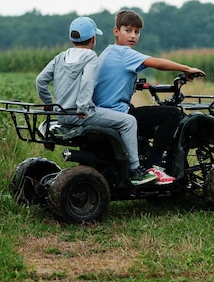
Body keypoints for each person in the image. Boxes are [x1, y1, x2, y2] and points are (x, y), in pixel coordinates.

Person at [36, 16, 156, 185]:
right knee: (129, 122)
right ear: (93, 39)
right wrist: (83, 107)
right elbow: (87, 82)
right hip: (81, 114)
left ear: (72, 38)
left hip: (62, 114)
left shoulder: (60, 57)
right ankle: (135, 170)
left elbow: (40, 81)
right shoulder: (90, 57)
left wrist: (48, 104)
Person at [93, 10, 205, 184]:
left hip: (104, 111)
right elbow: (157, 63)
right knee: (172, 114)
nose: (133, 36)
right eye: (128, 30)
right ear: (116, 31)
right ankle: (153, 165)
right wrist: (186, 69)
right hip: (118, 112)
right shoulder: (126, 53)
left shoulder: (107, 52)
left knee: (139, 114)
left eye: (137, 32)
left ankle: (141, 154)